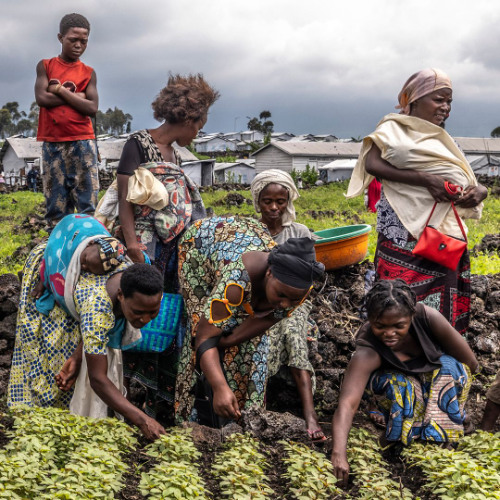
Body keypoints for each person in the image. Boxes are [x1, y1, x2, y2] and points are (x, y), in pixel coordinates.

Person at [96, 74, 218, 421]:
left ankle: (156, 398)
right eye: (200, 124)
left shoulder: (175, 154)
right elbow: (125, 199)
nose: (199, 131)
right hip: (145, 246)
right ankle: (120, 393)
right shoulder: (139, 143)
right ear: (187, 118)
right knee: (132, 313)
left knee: (165, 315)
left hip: (170, 249)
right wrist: (133, 244)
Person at [346, 68, 487, 335]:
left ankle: (438, 358)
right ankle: (390, 358)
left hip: (440, 234)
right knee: (394, 299)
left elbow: (468, 177)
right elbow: (373, 164)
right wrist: (426, 180)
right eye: (439, 99)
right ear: (414, 99)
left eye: (449, 102)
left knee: (439, 301)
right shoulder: (392, 128)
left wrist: (480, 191)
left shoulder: (445, 140)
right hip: (400, 232)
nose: (445, 107)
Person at [7, 215, 166, 440]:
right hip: (58, 257)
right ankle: (39, 423)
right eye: (138, 313)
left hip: (77, 253)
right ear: (121, 296)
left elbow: (100, 328)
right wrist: (142, 419)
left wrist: (79, 354)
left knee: (77, 353)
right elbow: (98, 378)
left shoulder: (139, 273)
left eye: (153, 312)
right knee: (51, 351)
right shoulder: (96, 307)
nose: (145, 320)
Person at [174, 216, 324, 426]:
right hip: (199, 248)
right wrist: (219, 386)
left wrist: (227, 341)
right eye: (281, 294)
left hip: (246, 238)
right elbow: (204, 338)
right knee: (202, 330)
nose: (284, 303)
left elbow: (271, 317)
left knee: (253, 346)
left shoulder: (300, 288)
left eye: (292, 299)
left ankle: (246, 418)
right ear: (269, 273)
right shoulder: (236, 282)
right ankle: (193, 419)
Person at [331, 279, 479, 486]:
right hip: (398, 397)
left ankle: (443, 437)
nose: (389, 333)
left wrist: (449, 403)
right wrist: (339, 453)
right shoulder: (367, 348)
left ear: (411, 316)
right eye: (379, 326)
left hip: (434, 386)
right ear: (370, 320)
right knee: (402, 384)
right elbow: (348, 403)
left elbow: (470, 364)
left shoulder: (428, 318)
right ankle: (401, 435)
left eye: (399, 326)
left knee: (448, 368)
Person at [250, 169, 325, 442]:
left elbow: (306, 282)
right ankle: (256, 408)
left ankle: (310, 413)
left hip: (294, 301)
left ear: (288, 200)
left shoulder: (299, 232)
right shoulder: (250, 230)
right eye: (267, 201)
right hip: (258, 300)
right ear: (258, 200)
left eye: (280, 201)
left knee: (293, 332)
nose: (273, 207)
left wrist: (288, 306)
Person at [35, 13, 99, 227]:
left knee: (87, 203)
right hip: (53, 143)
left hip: (83, 141)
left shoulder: (89, 73)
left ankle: (86, 250)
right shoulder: (45, 66)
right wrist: (77, 96)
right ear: (60, 37)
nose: (79, 45)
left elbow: (92, 107)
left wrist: (60, 91)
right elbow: (42, 98)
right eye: (73, 40)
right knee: (56, 205)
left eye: (84, 41)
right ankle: (58, 251)